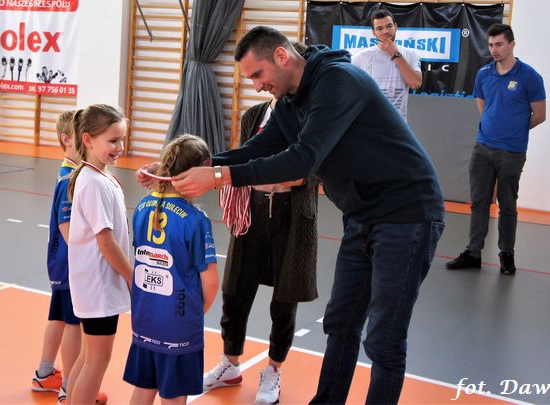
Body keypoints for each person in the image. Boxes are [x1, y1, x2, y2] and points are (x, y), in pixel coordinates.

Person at [162, 26, 445, 404]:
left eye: (258, 74)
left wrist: (218, 177)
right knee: (341, 323)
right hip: (361, 215)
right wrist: (187, 168)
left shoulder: (338, 82)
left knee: (384, 338)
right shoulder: (291, 101)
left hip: (407, 214)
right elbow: (258, 148)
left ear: (281, 56)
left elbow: (302, 159)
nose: (257, 87)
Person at [203, 97, 318, 405]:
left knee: (285, 298)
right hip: (251, 212)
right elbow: (245, 159)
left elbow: (304, 174)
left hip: (293, 214)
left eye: (260, 75)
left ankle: (273, 369)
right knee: (235, 289)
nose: (259, 83)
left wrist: (239, 173)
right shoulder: (254, 115)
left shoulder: (311, 115)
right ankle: (230, 364)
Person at [124, 134, 219, 405]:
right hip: (178, 326)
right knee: (174, 395)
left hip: (144, 318)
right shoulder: (196, 219)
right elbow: (211, 283)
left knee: (144, 387)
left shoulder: (142, 207)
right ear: (201, 169)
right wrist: (192, 314)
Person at [447, 23, 546, 275]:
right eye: (491, 45)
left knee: (508, 205)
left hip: (512, 152)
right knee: (479, 202)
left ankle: (506, 255)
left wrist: (514, 130)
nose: (494, 49)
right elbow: (483, 105)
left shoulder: (529, 76)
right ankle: (473, 252)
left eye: (499, 44)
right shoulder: (483, 74)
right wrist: (493, 127)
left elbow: (539, 115)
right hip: (483, 148)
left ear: (512, 45)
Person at [66, 104, 132, 405]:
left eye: (122, 140)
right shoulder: (92, 182)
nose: (119, 147)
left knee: (88, 356)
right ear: (88, 140)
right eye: (112, 141)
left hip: (95, 285)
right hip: (99, 286)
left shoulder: (99, 176)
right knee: (97, 361)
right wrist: (132, 278)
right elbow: (105, 242)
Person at [32, 110, 82, 400]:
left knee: (59, 316)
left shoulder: (69, 173)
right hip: (69, 261)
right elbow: (68, 228)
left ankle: (45, 373)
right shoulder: (69, 179)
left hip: (60, 261)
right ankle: (70, 388)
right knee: (74, 323)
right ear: (67, 139)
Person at [350, 8, 422, 120]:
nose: (385, 31)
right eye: (379, 28)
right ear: (373, 32)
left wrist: (395, 53)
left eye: (389, 26)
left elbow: (415, 83)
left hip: (399, 125)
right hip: (370, 124)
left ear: (396, 27)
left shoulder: (410, 54)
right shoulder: (361, 57)